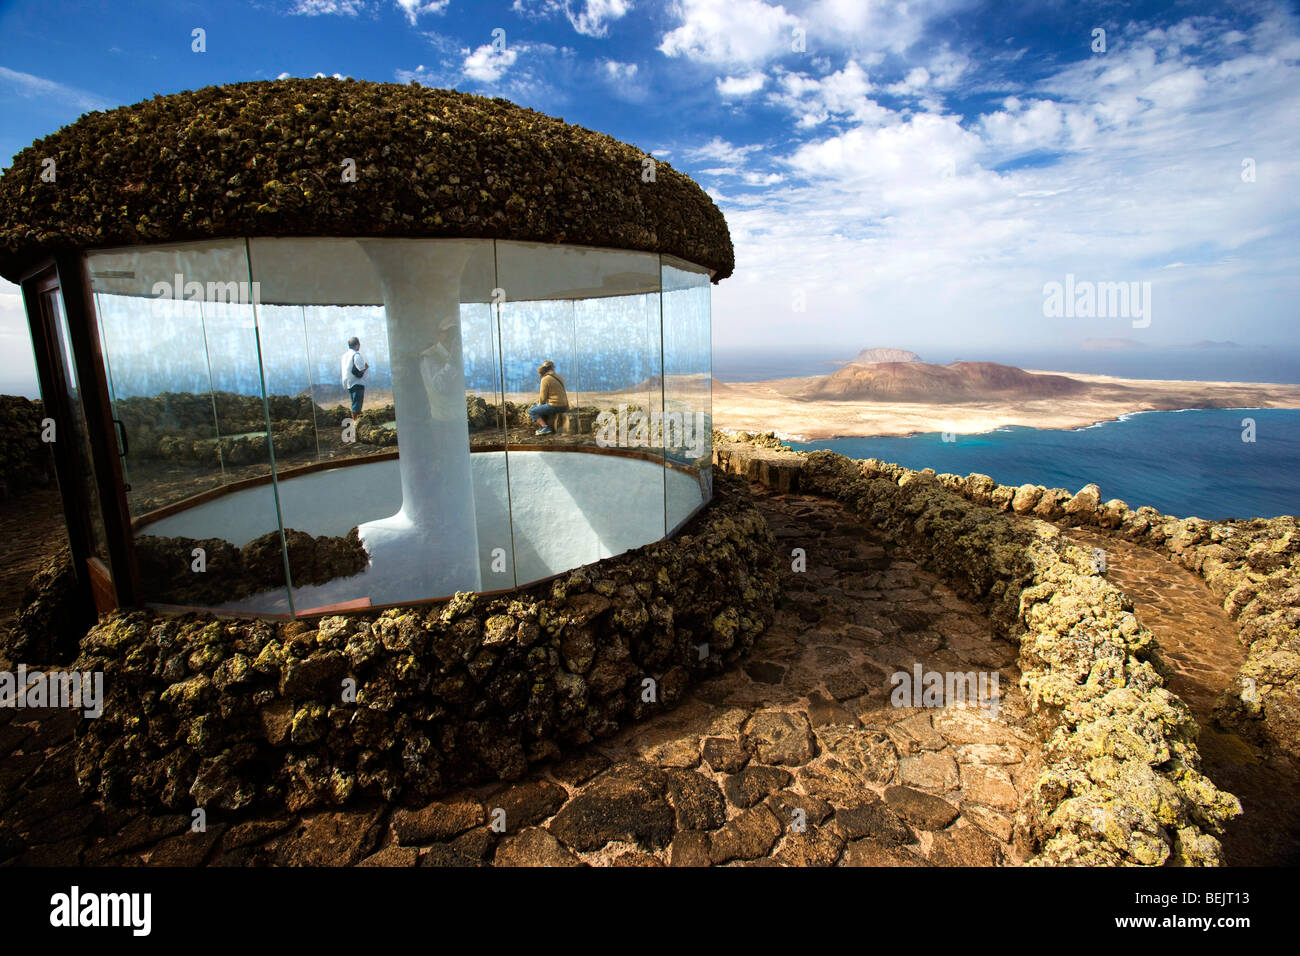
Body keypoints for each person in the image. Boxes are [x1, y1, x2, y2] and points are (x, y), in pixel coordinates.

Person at [529, 360, 569, 435]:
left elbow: (543, 397)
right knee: (538, 408)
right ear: (552, 367)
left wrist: (540, 404)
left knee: (532, 411)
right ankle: (543, 427)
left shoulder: (545, 379)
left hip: (555, 406)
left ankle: (545, 428)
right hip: (563, 405)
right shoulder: (559, 377)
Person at [341, 337, 368, 417]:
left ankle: (356, 421)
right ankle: (356, 423)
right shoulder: (356, 355)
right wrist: (366, 367)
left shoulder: (344, 356)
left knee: (354, 402)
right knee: (357, 406)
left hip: (348, 382)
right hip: (357, 382)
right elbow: (361, 370)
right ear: (357, 345)